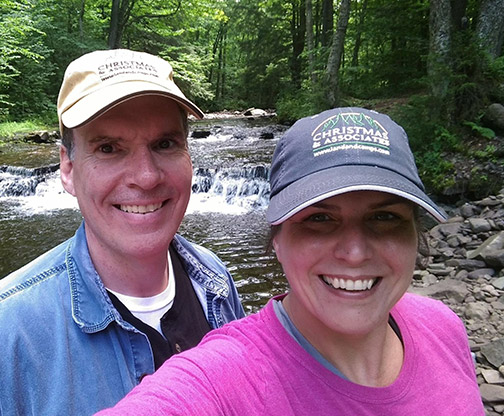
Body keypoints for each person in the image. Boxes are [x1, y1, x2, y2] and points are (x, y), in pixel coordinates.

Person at [0, 49, 244, 415]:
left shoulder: (213, 282)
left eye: (164, 144)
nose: (146, 177)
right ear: (67, 167)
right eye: (109, 148)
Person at [94, 107, 484, 415]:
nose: (355, 252)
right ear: (277, 239)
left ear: (415, 235)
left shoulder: (442, 328)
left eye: (384, 218)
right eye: (319, 219)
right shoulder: (223, 378)